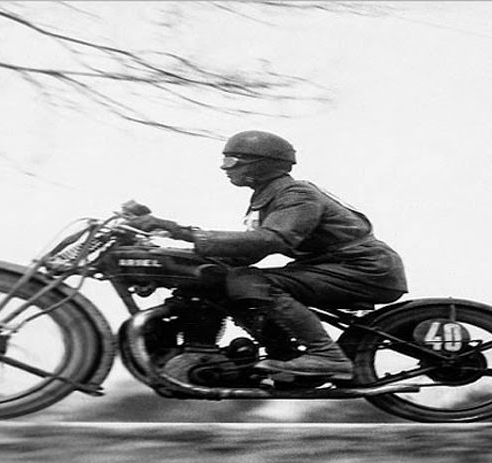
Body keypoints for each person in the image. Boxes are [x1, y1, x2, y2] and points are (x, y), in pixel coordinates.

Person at [128, 130, 407, 381]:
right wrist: (176, 259)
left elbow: (271, 240)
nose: (225, 168)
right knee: (226, 280)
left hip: (365, 269)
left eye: (233, 161)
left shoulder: (296, 195)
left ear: (260, 165)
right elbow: (248, 252)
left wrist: (182, 232)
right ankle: (281, 354)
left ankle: (326, 356)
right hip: (336, 266)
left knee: (253, 282)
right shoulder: (269, 196)